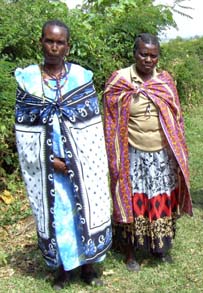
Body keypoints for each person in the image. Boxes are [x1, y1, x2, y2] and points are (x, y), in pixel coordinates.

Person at [14, 20, 112, 290]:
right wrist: (51, 160)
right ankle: (62, 270)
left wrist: (77, 160)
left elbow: (92, 127)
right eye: (49, 41)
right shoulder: (28, 81)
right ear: (41, 43)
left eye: (60, 42)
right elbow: (24, 133)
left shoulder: (82, 78)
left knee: (88, 211)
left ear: (68, 47)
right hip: (48, 169)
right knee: (57, 216)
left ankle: (89, 266)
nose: (54, 47)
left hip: (83, 164)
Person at [103, 33, 192, 271]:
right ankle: (130, 252)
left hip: (162, 153)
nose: (148, 59)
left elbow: (177, 116)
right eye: (143, 54)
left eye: (153, 55)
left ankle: (159, 248)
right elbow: (110, 121)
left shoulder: (164, 81)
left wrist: (179, 148)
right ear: (135, 54)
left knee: (161, 199)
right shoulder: (119, 80)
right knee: (133, 201)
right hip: (132, 153)